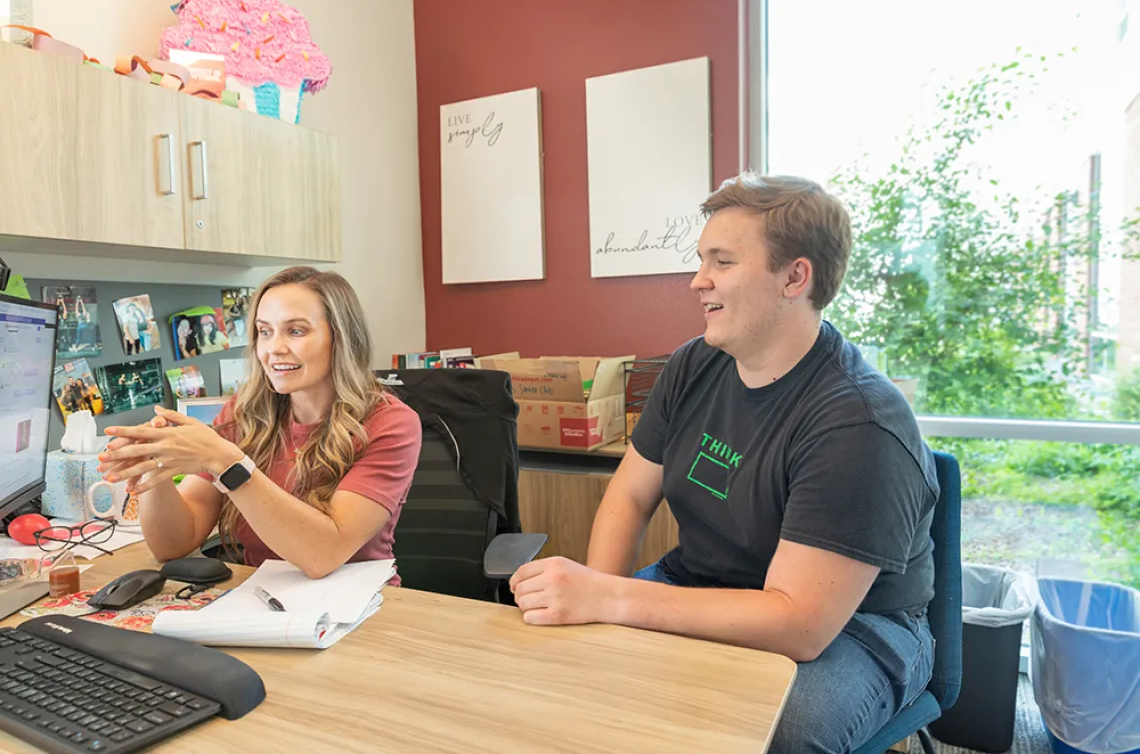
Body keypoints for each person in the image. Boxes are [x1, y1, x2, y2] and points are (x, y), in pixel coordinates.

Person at [508, 174, 939, 753]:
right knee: (568, 674)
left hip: (855, 627)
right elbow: (631, 496)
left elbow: (798, 625)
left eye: (723, 262)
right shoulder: (694, 365)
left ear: (794, 277)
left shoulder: (859, 423)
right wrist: (599, 609)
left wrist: (608, 600)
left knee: (771, 731)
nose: (698, 281)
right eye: (701, 259)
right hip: (703, 583)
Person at [97, 266, 423, 581]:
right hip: (260, 601)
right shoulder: (244, 414)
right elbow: (173, 546)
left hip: (357, 609)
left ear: (341, 339)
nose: (273, 349)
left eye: (296, 330)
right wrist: (156, 467)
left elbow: (324, 555)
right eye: (264, 331)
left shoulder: (390, 424)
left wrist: (228, 463)